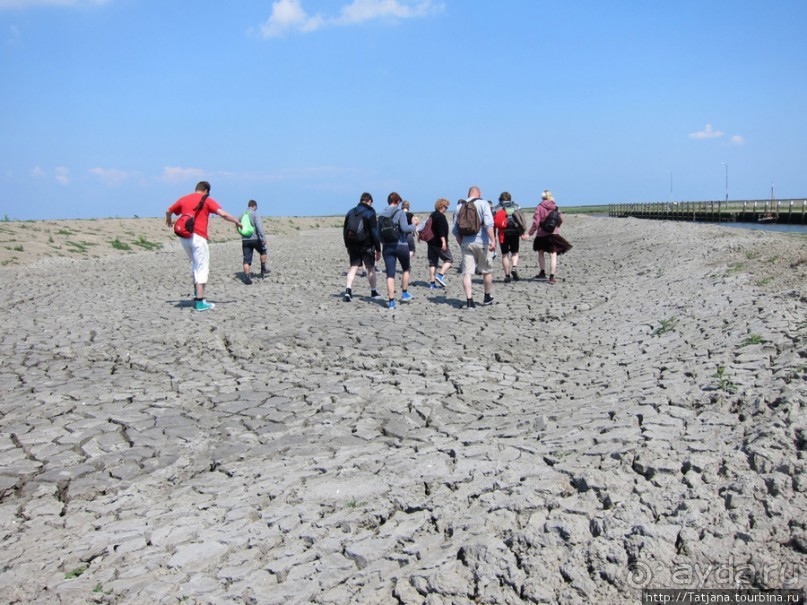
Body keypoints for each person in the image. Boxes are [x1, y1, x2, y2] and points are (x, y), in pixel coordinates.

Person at [166, 181, 241, 311]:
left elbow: (168, 210)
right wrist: (236, 222)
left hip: (184, 238)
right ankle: (199, 302)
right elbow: (223, 214)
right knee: (202, 267)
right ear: (206, 190)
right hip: (198, 237)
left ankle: (197, 293)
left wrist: (168, 219)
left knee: (195, 264)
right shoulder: (207, 200)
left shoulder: (184, 199)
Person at [452, 185, 496, 308]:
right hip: (482, 243)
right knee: (486, 271)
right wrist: (493, 240)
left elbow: (455, 231)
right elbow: (489, 224)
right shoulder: (483, 204)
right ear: (479, 193)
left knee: (467, 273)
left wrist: (462, 244)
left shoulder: (459, 206)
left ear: (468, 194)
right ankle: (487, 297)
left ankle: (469, 301)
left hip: (466, 243)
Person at [377, 192, 418, 310]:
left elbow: (378, 233)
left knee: (390, 274)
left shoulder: (381, 215)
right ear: (398, 201)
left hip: (387, 247)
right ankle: (404, 293)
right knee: (406, 268)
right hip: (401, 245)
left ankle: (391, 302)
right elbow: (405, 228)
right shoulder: (400, 213)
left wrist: (383, 244)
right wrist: (414, 225)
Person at [342, 192, 381, 302]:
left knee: (354, 267)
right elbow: (374, 232)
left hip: (352, 244)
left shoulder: (350, 212)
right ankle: (373, 292)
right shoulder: (370, 212)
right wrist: (378, 249)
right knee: (371, 267)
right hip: (366, 244)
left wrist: (347, 245)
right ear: (369, 201)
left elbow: (345, 230)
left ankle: (348, 290)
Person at [528, 189, 573, 284]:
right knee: (553, 255)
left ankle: (542, 272)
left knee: (541, 253)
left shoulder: (539, 207)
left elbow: (536, 222)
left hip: (541, 234)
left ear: (542, 197)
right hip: (553, 233)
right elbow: (560, 219)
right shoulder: (555, 207)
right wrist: (556, 227)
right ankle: (552, 276)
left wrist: (530, 233)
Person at [492, 192, 524, 283]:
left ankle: (507, 275)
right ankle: (514, 266)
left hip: (503, 233)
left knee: (504, 254)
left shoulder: (497, 208)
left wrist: (493, 236)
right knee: (515, 252)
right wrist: (522, 232)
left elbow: (492, 222)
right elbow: (521, 219)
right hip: (514, 232)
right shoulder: (516, 206)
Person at [426, 198, 453, 289]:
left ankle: (432, 283)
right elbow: (441, 231)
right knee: (449, 259)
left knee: (433, 262)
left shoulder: (432, 215)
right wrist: (444, 242)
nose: (446, 209)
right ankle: (440, 275)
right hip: (438, 242)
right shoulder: (440, 217)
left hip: (430, 242)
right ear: (441, 206)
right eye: (446, 207)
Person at [240, 199, 268, 285]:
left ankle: (247, 277)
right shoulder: (255, 214)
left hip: (245, 239)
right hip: (255, 238)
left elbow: (238, 226)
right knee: (263, 250)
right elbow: (259, 227)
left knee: (246, 259)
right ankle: (263, 268)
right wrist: (263, 239)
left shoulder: (242, 215)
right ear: (254, 206)